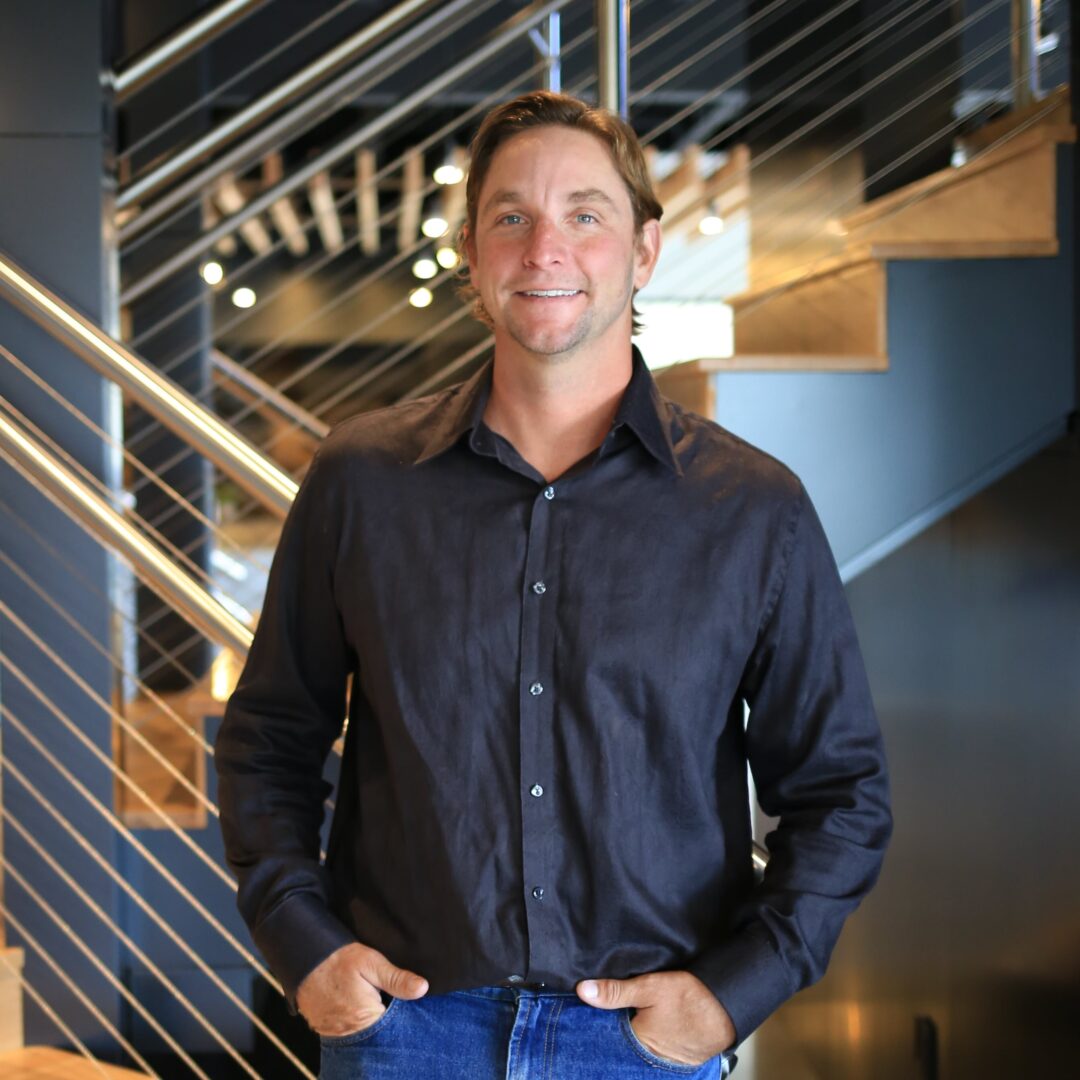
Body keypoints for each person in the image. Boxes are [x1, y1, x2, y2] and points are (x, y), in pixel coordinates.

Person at [216, 90, 892, 1079]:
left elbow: (841, 791)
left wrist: (731, 996)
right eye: (511, 218)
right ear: (472, 255)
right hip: (406, 1034)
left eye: (585, 214)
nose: (545, 251)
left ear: (644, 250)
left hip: (641, 1048)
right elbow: (270, 737)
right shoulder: (362, 481)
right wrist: (305, 946)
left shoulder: (753, 508)